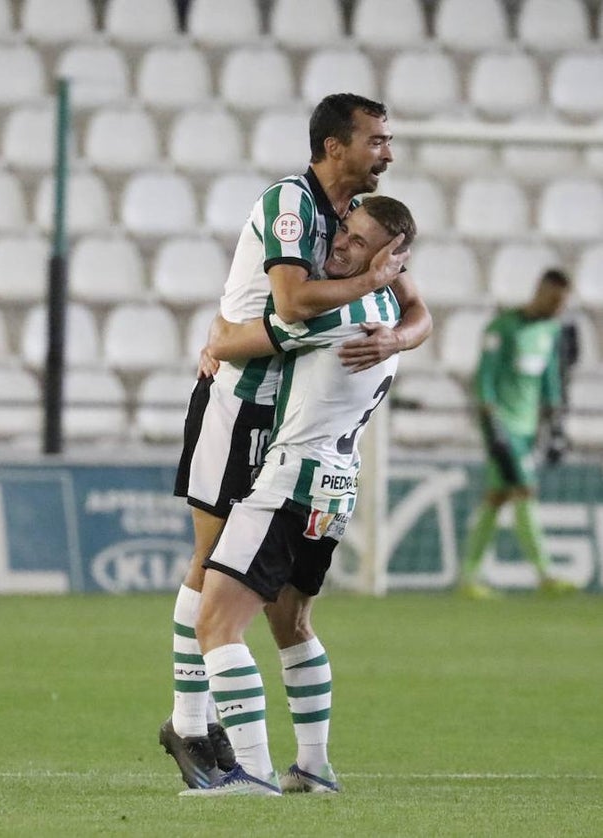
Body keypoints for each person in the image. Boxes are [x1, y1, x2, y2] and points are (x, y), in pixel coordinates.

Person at [159, 93, 433, 790]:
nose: (389, 153)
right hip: (244, 405)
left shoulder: (357, 235)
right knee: (218, 564)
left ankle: (244, 756)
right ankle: (193, 725)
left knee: (243, 600)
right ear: (335, 147)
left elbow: (407, 307)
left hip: (288, 429)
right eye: (378, 140)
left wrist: (394, 325)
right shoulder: (301, 207)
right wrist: (387, 312)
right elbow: (290, 301)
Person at [458, 269, 576, 600]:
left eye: (562, 304)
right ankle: (546, 573)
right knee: (526, 489)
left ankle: (468, 576)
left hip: (528, 429)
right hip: (502, 426)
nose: (557, 309)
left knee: (497, 498)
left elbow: (550, 378)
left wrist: (555, 426)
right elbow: (485, 379)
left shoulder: (550, 331)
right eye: (553, 301)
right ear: (539, 292)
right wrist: (492, 426)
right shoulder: (503, 328)